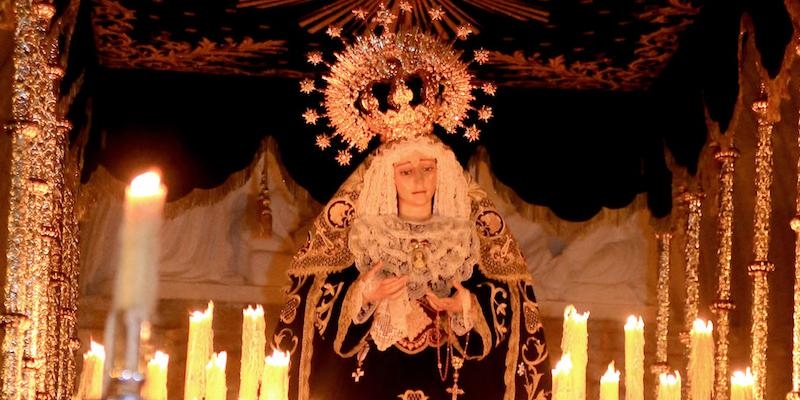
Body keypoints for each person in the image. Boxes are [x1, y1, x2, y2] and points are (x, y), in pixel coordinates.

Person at [270, 133, 553, 399]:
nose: (419, 180)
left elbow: (506, 302)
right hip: (373, 380)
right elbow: (320, 310)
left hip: (449, 380)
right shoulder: (363, 237)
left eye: (428, 168)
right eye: (406, 171)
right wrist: (365, 296)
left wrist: (466, 305)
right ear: (387, 176)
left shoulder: (466, 238)